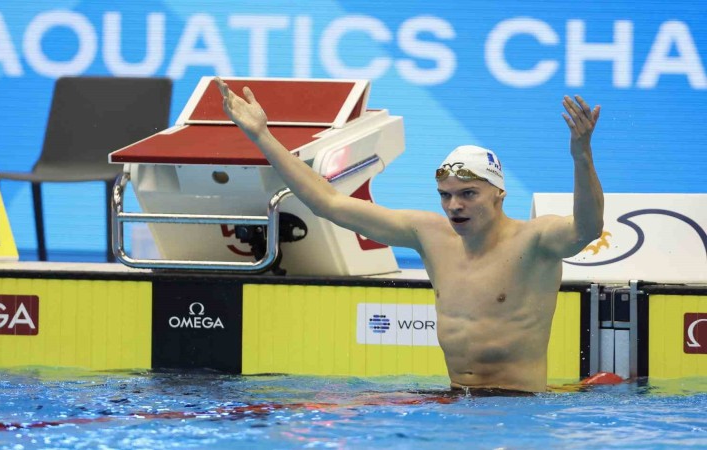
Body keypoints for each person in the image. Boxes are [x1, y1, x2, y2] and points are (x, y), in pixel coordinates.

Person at [214, 77, 604, 393]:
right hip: (452, 400)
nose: (454, 206)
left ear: (499, 194)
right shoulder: (430, 235)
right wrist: (262, 136)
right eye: (446, 196)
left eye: (468, 194)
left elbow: (586, 228)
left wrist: (581, 154)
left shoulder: (535, 242)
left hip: (517, 408)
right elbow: (329, 204)